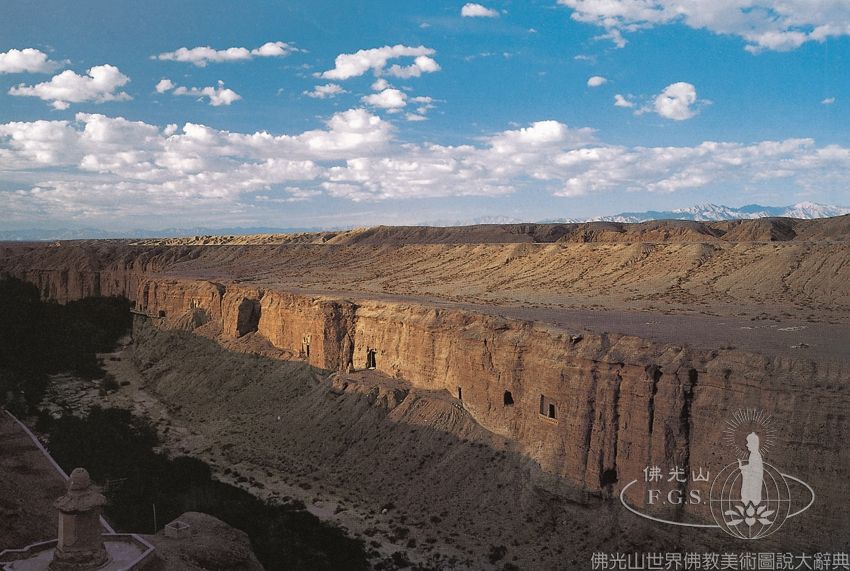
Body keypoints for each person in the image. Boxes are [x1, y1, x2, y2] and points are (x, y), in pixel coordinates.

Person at [738, 432, 763, 505]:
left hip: (754, 481)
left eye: (748, 443)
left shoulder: (755, 455)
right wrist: (743, 467)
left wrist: (744, 469)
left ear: (754, 444)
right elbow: (751, 466)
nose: (747, 445)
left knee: (752, 495)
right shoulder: (753, 455)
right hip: (752, 479)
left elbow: (754, 469)